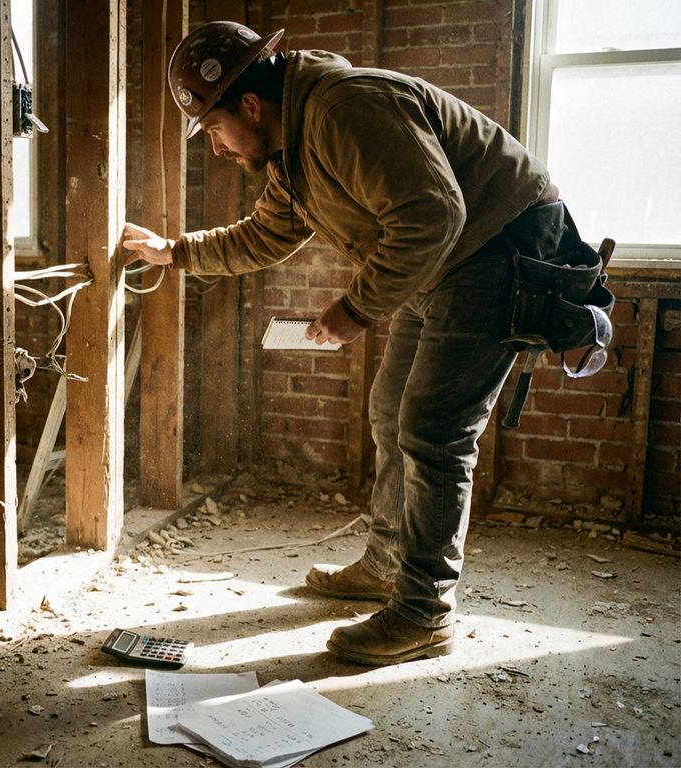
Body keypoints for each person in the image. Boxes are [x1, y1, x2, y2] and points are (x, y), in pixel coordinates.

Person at [121, 20, 558, 666]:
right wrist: (175, 252)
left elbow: (436, 212)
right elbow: (263, 236)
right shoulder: (292, 148)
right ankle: (387, 565)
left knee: (435, 428)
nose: (214, 148)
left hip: (499, 248)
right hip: (445, 261)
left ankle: (424, 612)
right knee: (391, 408)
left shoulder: (341, 110)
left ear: (248, 105)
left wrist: (356, 307)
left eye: (212, 130)